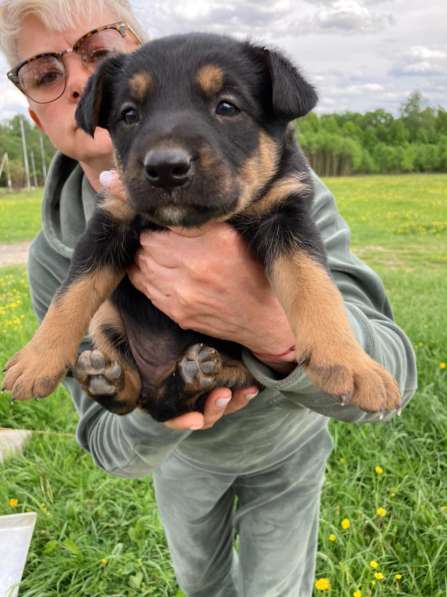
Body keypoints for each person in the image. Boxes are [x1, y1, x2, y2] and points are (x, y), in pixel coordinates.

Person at [0, 1, 417, 595]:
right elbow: (104, 438)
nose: (167, 149)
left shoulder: (276, 188)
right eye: (45, 74)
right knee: (200, 582)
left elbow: (320, 287)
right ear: (75, 120)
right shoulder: (62, 245)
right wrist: (134, 401)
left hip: (286, 447)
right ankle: (138, 380)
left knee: (276, 585)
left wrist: (290, 337)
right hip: (183, 459)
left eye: (225, 108)